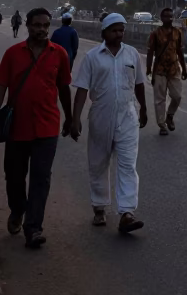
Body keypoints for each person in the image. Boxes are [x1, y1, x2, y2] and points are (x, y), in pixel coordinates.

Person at [0, 8, 79, 248]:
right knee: (15, 177)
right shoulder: (13, 54)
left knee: (41, 178)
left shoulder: (58, 54)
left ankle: (33, 227)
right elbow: (0, 88)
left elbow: (64, 88)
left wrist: (70, 118)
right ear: (27, 25)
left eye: (46, 25)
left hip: (47, 127)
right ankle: (17, 210)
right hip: (17, 127)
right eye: (37, 25)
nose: (42, 29)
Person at [71, 12, 147, 233]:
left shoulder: (132, 55)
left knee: (127, 165)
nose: (119, 34)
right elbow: (82, 90)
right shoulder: (93, 57)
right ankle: (99, 207)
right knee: (98, 164)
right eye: (114, 30)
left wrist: (143, 109)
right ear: (104, 32)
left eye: (121, 30)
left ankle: (127, 213)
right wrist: (75, 119)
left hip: (128, 116)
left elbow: (140, 84)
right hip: (100, 117)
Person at [146, 7, 187, 137]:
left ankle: (170, 115)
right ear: (161, 18)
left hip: (174, 69)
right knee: (160, 99)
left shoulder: (177, 32)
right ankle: (162, 125)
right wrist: (149, 70)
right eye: (166, 16)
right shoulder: (155, 34)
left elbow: (180, 51)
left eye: (171, 16)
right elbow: (150, 52)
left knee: (177, 96)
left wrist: (184, 68)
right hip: (159, 70)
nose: (169, 18)